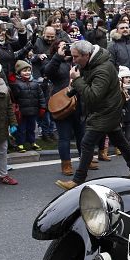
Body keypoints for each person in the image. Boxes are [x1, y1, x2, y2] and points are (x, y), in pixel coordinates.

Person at [55, 40, 130, 191]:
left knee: (87, 143)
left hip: (106, 111)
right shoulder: (90, 64)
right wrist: (71, 90)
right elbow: (87, 81)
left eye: (76, 57)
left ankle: (77, 180)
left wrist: (76, 80)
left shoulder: (103, 69)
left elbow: (93, 95)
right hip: (106, 110)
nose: (73, 60)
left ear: (86, 55)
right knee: (120, 142)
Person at [44, 39, 84, 176]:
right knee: (64, 136)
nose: (66, 50)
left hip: (78, 102)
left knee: (82, 134)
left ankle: (85, 160)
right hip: (62, 103)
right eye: (63, 47)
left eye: (68, 47)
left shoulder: (76, 61)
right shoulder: (54, 62)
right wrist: (58, 56)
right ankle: (66, 164)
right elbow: (48, 72)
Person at [10, 60, 46, 152]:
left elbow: (41, 96)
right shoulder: (16, 83)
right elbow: (14, 97)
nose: (27, 73)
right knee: (21, 129)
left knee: (31, 128)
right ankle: (20, 143)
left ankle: (32, 142)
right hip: (21, 112)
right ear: (19, 72)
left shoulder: (35, 83)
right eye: (24, 71)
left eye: (29, 70)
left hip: (33, 110)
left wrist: (42, 107)